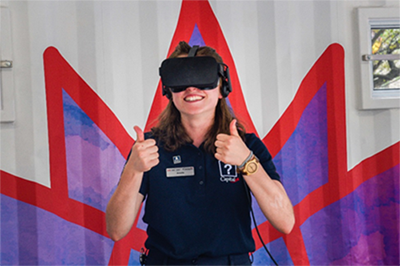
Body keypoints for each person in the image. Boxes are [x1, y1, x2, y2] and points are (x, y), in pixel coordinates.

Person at [106, 41, 295, 266]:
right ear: (168, 89)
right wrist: (133, 170)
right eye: (181, 79)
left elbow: (285, 222)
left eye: (202, 78)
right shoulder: (147, 148)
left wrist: (246, 161)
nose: (191, 89)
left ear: (222, 87)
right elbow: (116, 230)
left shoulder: (247, 146)